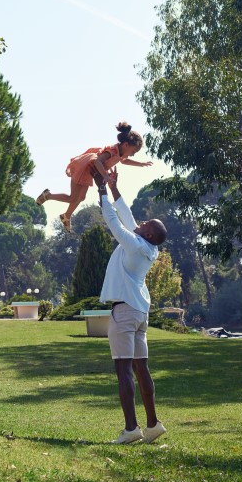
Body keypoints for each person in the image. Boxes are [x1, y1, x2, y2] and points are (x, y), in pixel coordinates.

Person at [94, 169, 168, 445]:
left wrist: (101, 190)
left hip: (125, 312)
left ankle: (131, 429)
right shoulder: (149, 247)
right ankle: (153, 425)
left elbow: (114, 221)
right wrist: (114, 187)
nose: (141, 222)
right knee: (141, 368)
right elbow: (127, 217)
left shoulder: (134, 244)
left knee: (123, 369)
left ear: (147, 233)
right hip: (139, 312)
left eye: (145, 223)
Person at [36, 122, 152, 233]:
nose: (132, 155)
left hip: (89, 172)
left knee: (81, 198)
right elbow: (97, 161)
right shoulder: (112, 151)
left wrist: (141, 164)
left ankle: (66, 216)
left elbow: (124, 161)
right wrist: (105, 175)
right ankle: (48, 196)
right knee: (73, 198)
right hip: (84, 168)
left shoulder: (120, 153)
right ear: (126, 145)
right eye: (133, 152)